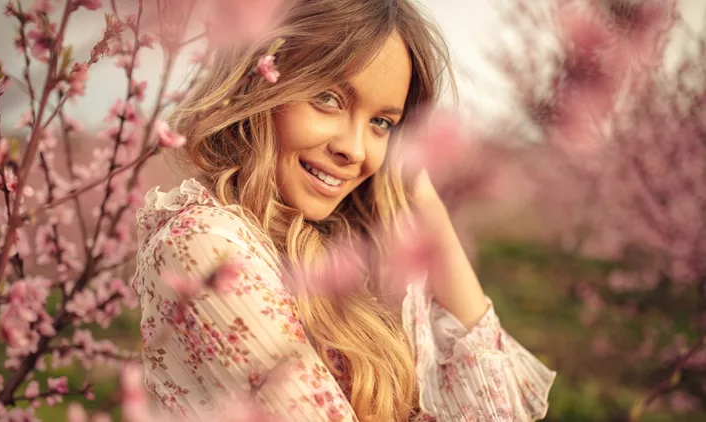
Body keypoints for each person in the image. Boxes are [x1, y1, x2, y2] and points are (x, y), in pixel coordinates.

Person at [132, 0, 556, 420]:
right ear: (257, 82)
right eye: (328, 98)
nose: (353, 150)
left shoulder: (344, 262)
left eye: (382, 123)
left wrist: (422, 196)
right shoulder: (203, 247)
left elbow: (499, 410)